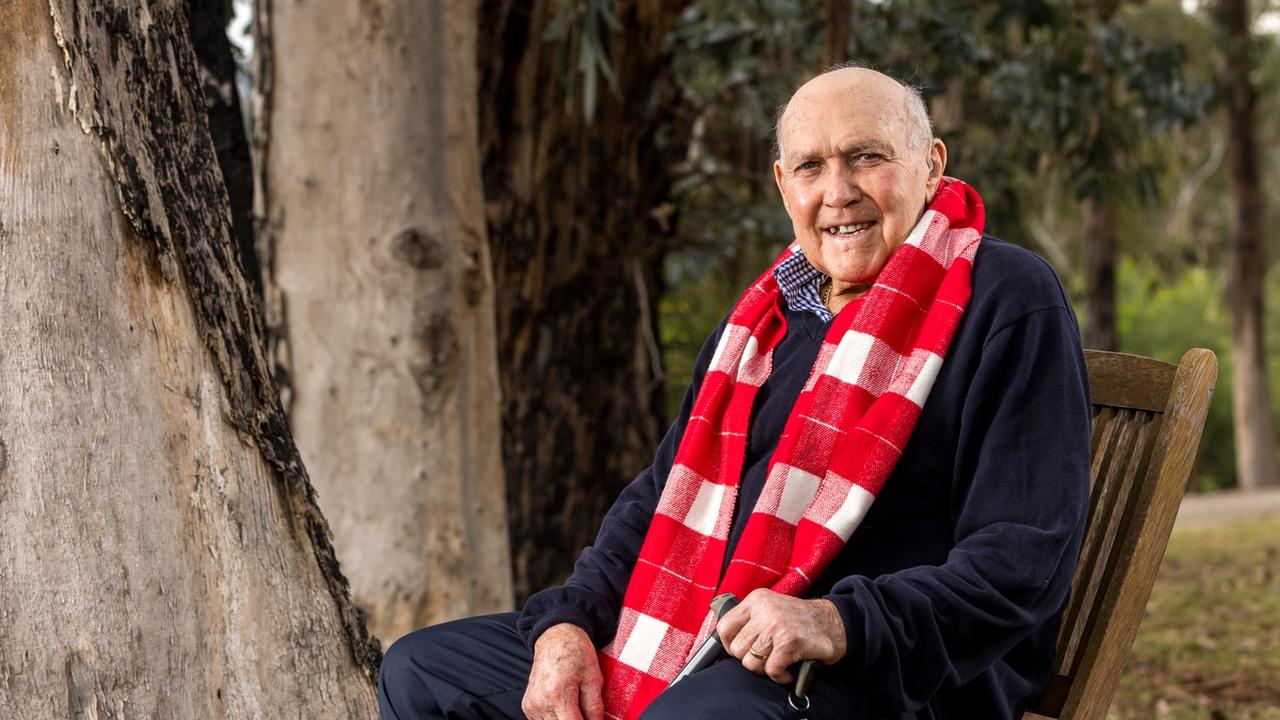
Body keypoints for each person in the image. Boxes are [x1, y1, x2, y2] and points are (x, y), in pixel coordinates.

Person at [378, 66, 1091, 720]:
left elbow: (1023, 555)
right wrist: (568, 619)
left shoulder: (1003, 296)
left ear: (930, 166)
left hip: (891, 671)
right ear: (785, 186)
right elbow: (660, 496)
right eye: (811, 166)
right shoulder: (766, 321)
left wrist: (838, 621)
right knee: (425, 672)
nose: (838, 191)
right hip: (700, 633)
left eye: (867, 157)